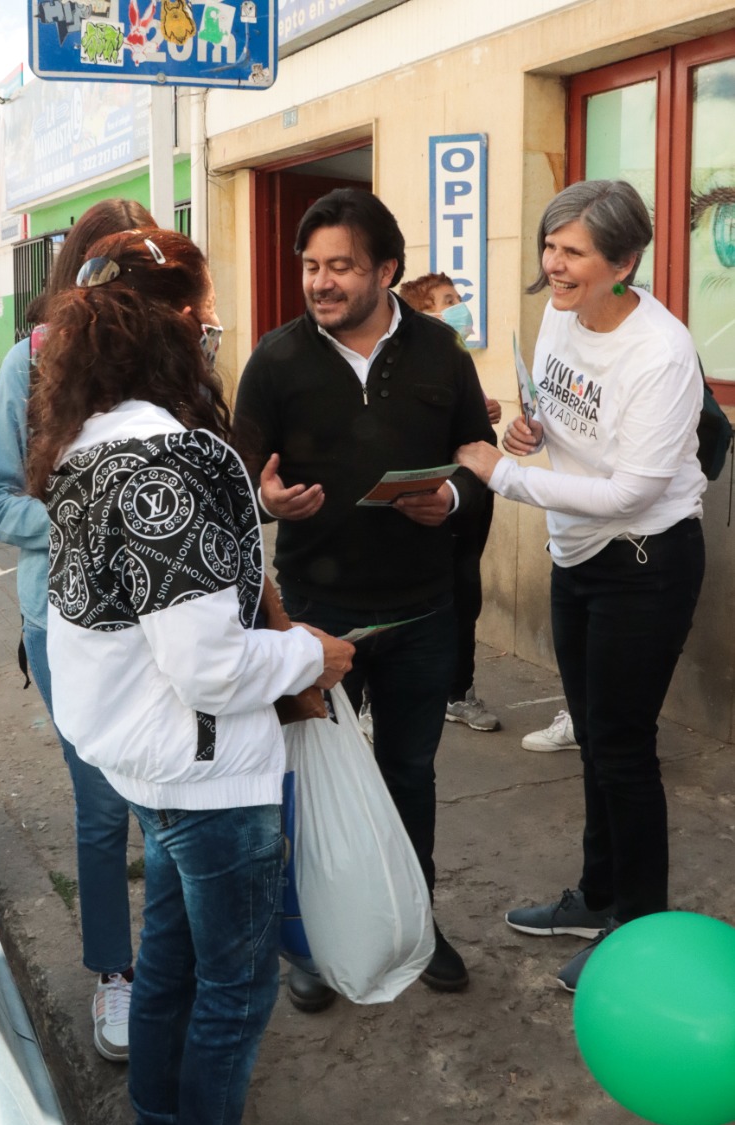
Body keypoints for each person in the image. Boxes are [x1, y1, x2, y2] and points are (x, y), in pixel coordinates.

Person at [27, 227, 352, 1125]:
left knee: (170, 969)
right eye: (207, 320)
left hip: (150, 763)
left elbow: (147, 611)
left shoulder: (87, 445)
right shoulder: (173, 458)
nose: (215, 337)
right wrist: (309, 653)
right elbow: (208, 663)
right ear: (170, 327)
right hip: (207, 772)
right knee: (233, 993)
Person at [233, 188, 496, 1010]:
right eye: (312, 266)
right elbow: (237, 478)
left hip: (422, 609)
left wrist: (451, 499)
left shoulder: (441, 352)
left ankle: (412, 921)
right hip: (317, 617)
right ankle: (314, 938)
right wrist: (265, 501)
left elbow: (479, 456)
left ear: (386, 270)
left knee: (409, 774)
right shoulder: (275, 360)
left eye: (341, 266)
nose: (321, 282)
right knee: (312, 784)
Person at [457, 179, 706, 992]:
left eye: (573, 252)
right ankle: (597, 899)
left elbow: (633, 490)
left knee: (624, 749)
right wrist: (531, 431)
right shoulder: (562, 316)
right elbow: (560, 420)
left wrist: (504, 476)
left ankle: (639, 931)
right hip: (576, 555)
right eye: (549, 246)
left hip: (644, 562)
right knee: (596, 739)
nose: (554, 265)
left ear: (623, 264)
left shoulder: (660, 352)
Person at [0, 199, 159, 1062]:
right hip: (65, 621)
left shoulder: (168, 357)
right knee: (101, 804)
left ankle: (172, 960)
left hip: (165, 620)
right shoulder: (29, 362)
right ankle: (115, 973)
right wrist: (85, 519)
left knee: (172, 800)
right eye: (115, 269)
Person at [400, 271, 503, 732]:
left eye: (457, 298)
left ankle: (459, 693)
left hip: (469, 500)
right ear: (422, 315)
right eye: (446, 300)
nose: (458, 308)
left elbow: (470, 424)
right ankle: (372, 700)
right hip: (425, 500)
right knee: (410, 601)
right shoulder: (409, 362)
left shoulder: (460, 358)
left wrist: (484, 410)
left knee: (465, 596)